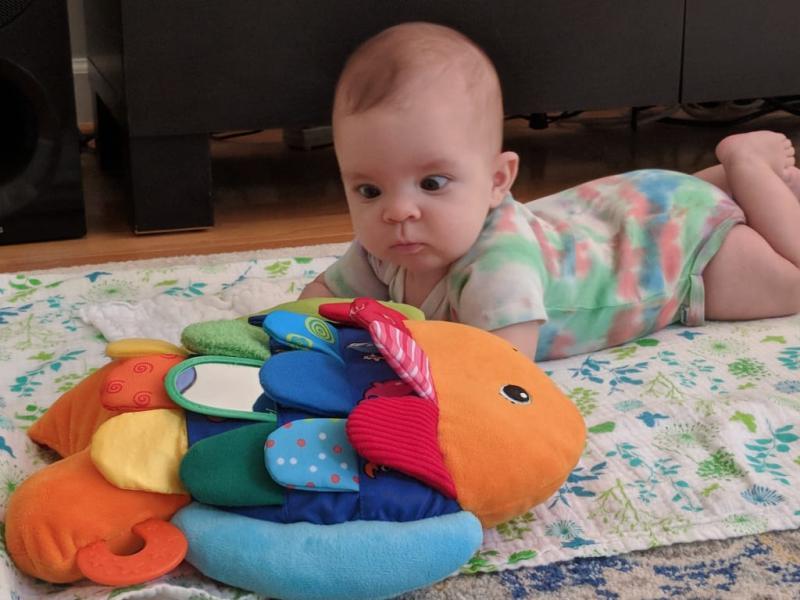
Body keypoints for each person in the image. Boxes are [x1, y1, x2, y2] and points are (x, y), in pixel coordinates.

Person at [299, 21, 800, 361]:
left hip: (675, 254)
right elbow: (319, 299)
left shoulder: (498, 265)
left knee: (793, 283)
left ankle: (747, 164)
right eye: (368, 190)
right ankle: (738, 186)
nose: (397, 211)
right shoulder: (385, 248)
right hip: (630, 205)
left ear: (499, 181)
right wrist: (287, 335)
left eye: (432, 184)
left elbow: (498, 371)